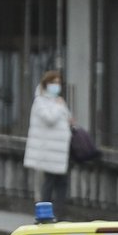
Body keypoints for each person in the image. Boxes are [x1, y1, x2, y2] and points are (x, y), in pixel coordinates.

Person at [23, 70, 72, 207]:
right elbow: (50, 119)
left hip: (58, 151)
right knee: (49, 182)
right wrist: (59, 106)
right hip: (48, 151)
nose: (57, 86)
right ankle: (46, 213)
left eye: (58, 83)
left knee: (61, 183)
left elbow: (67, 119)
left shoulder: (56, 101)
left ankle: (58, 212)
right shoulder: (40, 101)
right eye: (54, 83)